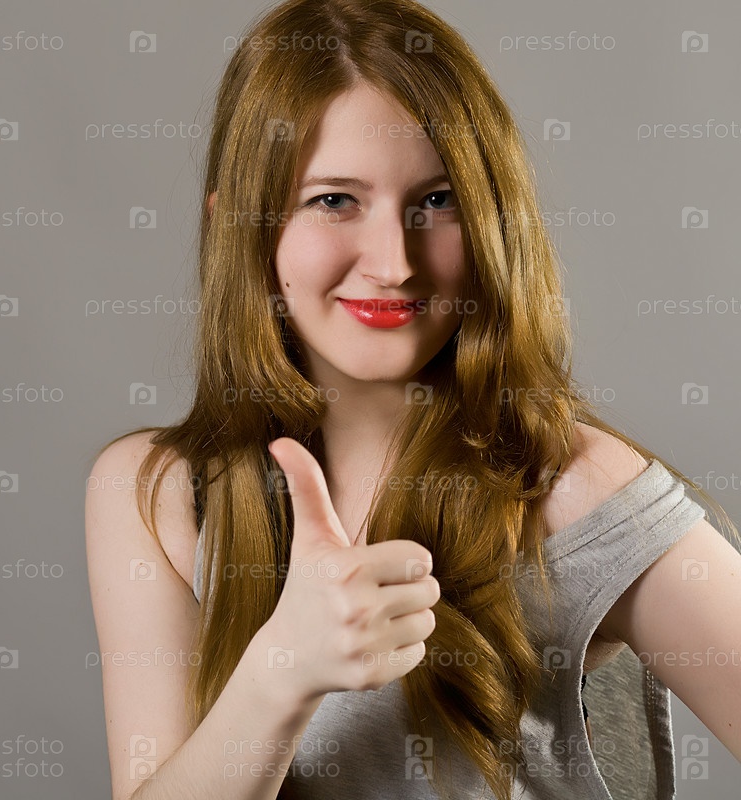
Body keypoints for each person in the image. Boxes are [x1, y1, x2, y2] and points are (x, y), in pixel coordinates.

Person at [84, 1, 741, 799]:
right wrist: (280, 674)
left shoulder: (569, 486)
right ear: (242, 228)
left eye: (436, 200)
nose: (393, 263)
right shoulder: (157, 494)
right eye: (334, 200)